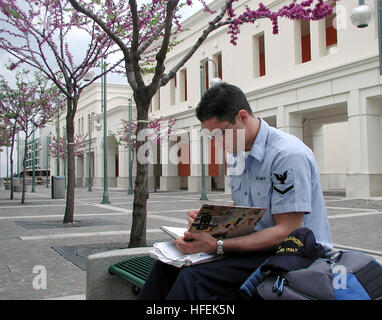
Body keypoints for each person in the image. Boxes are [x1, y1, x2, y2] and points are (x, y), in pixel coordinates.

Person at [138, 82, 332, 300]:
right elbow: (247, 212)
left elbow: (287, 230)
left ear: (242, 117)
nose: (217, 143)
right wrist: (210, 220)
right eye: (212, 137)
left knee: (193, 277)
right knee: (166, 267)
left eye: (221, 134)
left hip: (293, 254)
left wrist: (217, 245)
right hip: (254, 248)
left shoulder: (287, 155)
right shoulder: (236, 153)